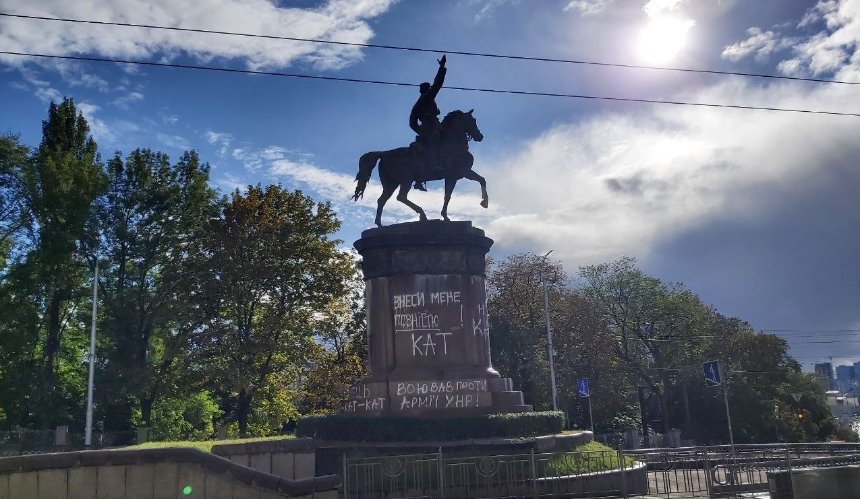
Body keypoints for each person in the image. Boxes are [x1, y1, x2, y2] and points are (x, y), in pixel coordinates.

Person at [409, 55, 446, 191]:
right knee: (438, 138)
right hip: (430, 127)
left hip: (430, 126)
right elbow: (438, 84)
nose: (432, 90)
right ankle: (437, 163)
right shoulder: (427, 97)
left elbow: (412, 122)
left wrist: (420, 130)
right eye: (430, 88)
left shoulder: (421, 101)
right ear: (426, 90)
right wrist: (441, 68)